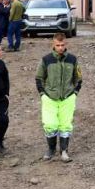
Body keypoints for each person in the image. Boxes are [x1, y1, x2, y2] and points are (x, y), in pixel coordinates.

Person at [35, 33, 82, 162]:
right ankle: (51, 150)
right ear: (53, 45)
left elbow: (78, 78)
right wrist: (43, 94)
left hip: (67, 97)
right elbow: (39, 78)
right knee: (50, 124)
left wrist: (75, 93)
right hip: (50, 97)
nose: (60, 48)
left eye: (62, 45)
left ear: (66, 44)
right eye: (57, 45)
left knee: (65, 125)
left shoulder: (72, 59)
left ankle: (64, 151)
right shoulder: (46, 59)